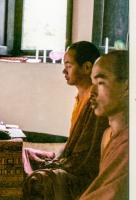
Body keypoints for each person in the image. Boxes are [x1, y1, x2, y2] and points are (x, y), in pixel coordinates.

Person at [23, 41, 109, 200]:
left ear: (87, 67)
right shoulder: (79, 98)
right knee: (25, 154)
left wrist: (58, 164)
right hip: (69, 159)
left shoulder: (95, 103)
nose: (64, 70)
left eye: (69, 65)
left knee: (40, 179)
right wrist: (58, 159)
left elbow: (86, 157)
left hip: (81, 172)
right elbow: (72, 144)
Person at [79, 50, 129, 200]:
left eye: (100, 83)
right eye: (92, 83)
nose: (91, 92)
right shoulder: (108, 135)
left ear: (127, 87)